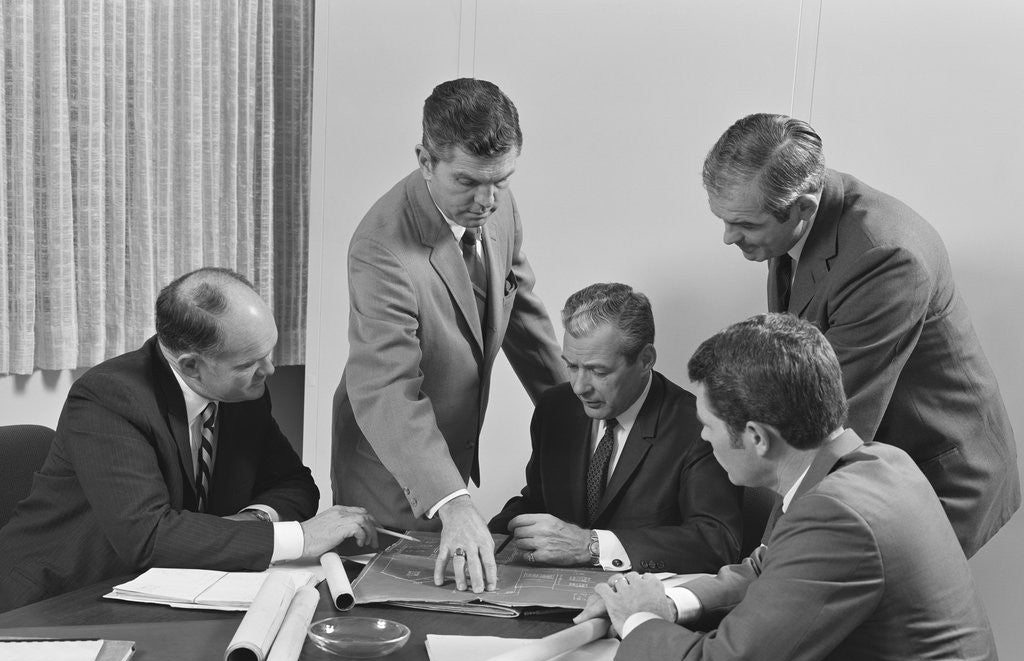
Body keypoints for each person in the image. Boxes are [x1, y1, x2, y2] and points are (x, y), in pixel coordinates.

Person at [576, 314, 1011, 661]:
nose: (703, 440)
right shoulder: (867, 465)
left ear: (757, 437)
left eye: (707, 427)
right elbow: (762, 568)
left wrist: (638, 622)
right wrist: (668, 604)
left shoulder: (837, 519)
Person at [702, 112, 1019, 558]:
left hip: (937, 477)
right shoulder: (787, 209)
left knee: (866, 617)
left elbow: (830, 422)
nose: (728, 237)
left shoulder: (884, 259)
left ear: (803, 207)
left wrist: (769, 559)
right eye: (724, 219)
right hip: (875, 461)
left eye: (746, 226)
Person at [0, 268, 377, 612]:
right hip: (55, 600)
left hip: (161, 590)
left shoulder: (242, 392)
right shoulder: (109, 398)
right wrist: (300, 538)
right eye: (248, 364)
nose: (270, 370)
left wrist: (251, 521)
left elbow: (295, 485)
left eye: (268, 353)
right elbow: (148, 536)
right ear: (191, 365)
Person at [332, 77, 565, 594]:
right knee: (400, 604)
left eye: (501, 180)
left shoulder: (497, 201)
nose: (487, 200)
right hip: (392, 465)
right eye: (467, 182)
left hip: (451, 446)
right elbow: (387, 388)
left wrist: (581, 411)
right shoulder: (380, 247)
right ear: (425, 159)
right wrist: (452, 500)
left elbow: (521, 312)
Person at [490, 283, 742, 573]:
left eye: (598, 371)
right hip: (552, 595)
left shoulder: (698, 427)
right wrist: (484, 532)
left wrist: (591, 545)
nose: (579, 387)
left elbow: (717, 543)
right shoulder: (554, 408)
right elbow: (538, 501)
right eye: (572, 366)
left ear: (645, 359)